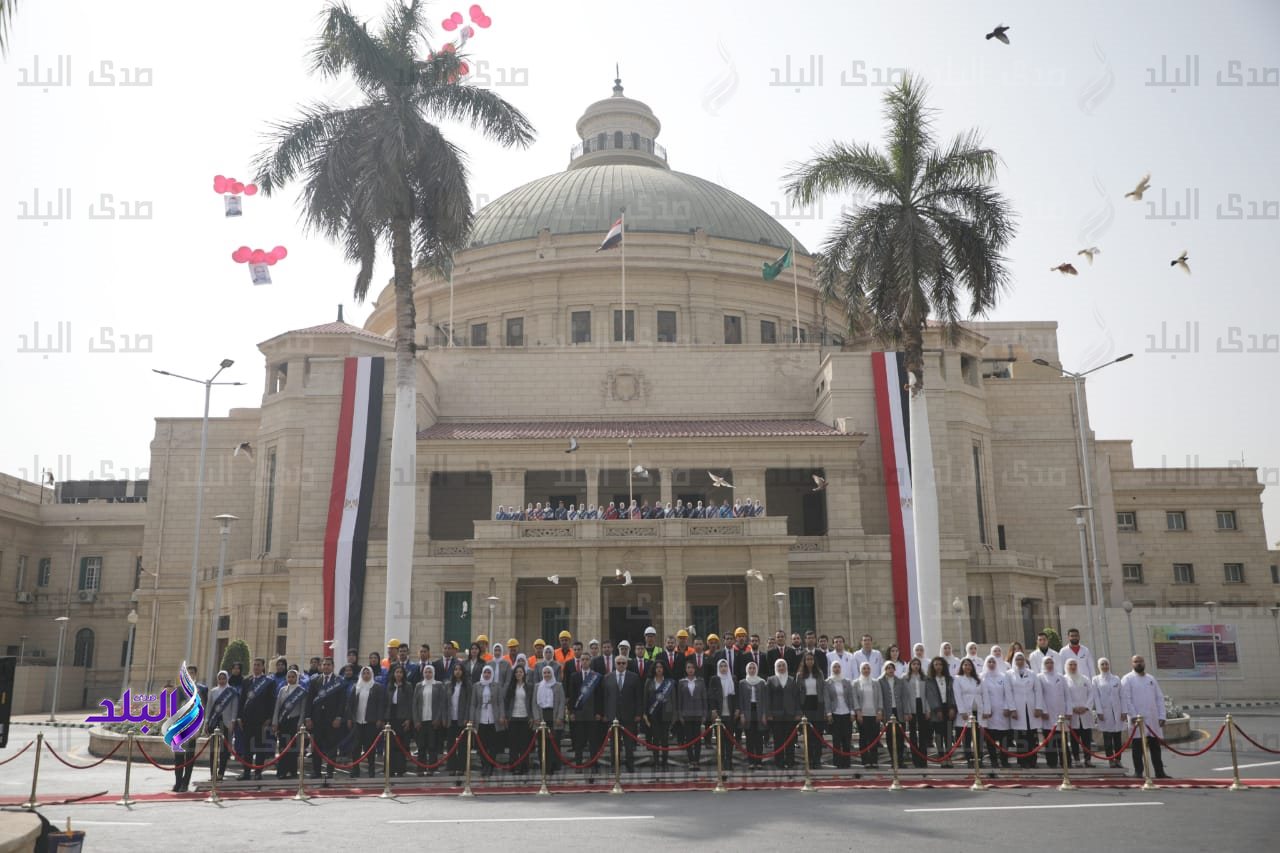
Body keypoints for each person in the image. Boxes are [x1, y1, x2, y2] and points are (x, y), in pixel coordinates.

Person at [1121, 655, 1170, 779]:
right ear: (1132, 664)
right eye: (1136, 661)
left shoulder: (1151, 679)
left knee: (1155, 748)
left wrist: (1162, 715)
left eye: (1141, 661)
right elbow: (1126, 699)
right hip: (1137, 720)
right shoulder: (1127, 679)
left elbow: (1159, 698)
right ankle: (1138, 772)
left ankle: (1160, 772)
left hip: (1152, 720)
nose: (1139, 663)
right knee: (1138, 749)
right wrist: (1132, 715)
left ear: (1144, 663)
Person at [305, 656, 346, 780]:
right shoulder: (315, 681)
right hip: (317, 719)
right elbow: (309, 700)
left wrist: (339, 717)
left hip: (332, 720)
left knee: (331, 747)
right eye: (324, 664)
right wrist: (308, 717)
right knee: (316, 747)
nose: (326, 666)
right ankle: (316, 771)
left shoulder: (339, 681)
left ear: (333, 667)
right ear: (321, 666)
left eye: (329, 664)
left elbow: (342, 702)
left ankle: (329, 771)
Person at [237, 658, 277, 780]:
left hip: (262, 721)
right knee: (247, 748)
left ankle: (258, 772)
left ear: (263, 667)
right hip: (247, 720)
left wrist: (269, 718)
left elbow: (272, 702)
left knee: (260, 747)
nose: (256, 667)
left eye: (258, 665)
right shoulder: (246, 681)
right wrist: (239, 717)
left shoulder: (269, 682)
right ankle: (246, 772)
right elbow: (242, 700)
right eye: (254, 665)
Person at [603, 655, 643, 772]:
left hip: (629, 715)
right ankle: (614, 766)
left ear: (626, 664)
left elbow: (638, 697)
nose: (621, 665)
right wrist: (606, 714)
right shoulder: (607, 677)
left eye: (623, 663)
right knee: (614, 744)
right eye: (618, 663)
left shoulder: (634, 677)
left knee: (629, 743)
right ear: (615, 664)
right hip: (613, 715)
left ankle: (630, 766)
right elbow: (605, 697)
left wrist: (638, 714)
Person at [346, 665, 387, 778]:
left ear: (371, 674)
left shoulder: (377, 687)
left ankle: (371, 770)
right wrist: (349, 718)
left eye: (368, 673)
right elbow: (350, 704)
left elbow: (380, 704)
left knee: (370, 747)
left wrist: (380, 718)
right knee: (356, 748)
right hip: (357, 722)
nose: (366, 675)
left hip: (371, 722)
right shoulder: (356, 686)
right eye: (364, 673)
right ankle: (355, 770)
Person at [172, 665, 208, 792]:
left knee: (189, 757)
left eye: (192, 673)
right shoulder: (179, 690)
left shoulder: (202, 690)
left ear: (195, 674)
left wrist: (200, 729)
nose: (190, 675)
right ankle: (177, 782)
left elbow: (204, 711)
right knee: (178, 758)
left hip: (193, 729)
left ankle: (185, 783)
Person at [1007, 651, 1043, 769]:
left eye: (1021, 659)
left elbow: (1038, 691)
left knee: (1031, 736)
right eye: (1017, 659)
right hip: (1018, 709)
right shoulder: (1009, 674)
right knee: (1020, 737)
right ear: (1014, 661)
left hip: (1031, 709)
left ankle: (1033, 760)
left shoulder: (1032, 674)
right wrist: (1012, 709)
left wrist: (1038, 707)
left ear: (1025, 661)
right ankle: (1022, 761)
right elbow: (1008, 693)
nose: (1019, 662)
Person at [567, 653, 603, 768]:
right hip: (579, 714)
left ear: (590, 661)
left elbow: (599, 696)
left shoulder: (596, 676)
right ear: (580, 662)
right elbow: (572, 696)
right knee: (579, 742)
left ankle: (594, 764)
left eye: (587, 659)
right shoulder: (574, 676)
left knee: (593, 742)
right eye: (583, 659)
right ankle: (578, 764)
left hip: (592, 714)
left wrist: (599, 712)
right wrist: (571, 712)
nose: (585, 661)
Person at [766, 657, 802, 769]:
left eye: (783, 665)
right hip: (776, 715)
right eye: (779, 666)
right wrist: (769, 713)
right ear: (776, 668)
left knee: (790, 740)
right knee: (778, 740)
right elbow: (768, 698)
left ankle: (790, 761)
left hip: (790, 714)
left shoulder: (792, 680)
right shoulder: (771, 680)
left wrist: (798, 712)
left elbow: (797, 697)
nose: (781, 668)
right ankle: (779, 762)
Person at [468, 665, 504, 778]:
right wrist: (471, 718)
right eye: (485, 672)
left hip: (493, 718)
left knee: (493, 745)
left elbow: (500, 702)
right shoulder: (476, 686)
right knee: (481, 745)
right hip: (481, 719)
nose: (487, 674)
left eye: (489, 672)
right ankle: (484, 766)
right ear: (482, 673)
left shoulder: (496, 686)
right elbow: (473, 704)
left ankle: (490, 766)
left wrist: (502, 715)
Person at [272, 667, 307, 779]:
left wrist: (300, 723)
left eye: (293, 677)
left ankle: (292, 771)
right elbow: (277, 707)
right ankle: (282, 771)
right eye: (289, 677)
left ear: (297, 678)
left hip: (295, 721)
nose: (291, 679)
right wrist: (275, 722)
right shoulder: (282, 690)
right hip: (283, 722)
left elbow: (303, 710)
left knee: (293, 748)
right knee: (283, 747)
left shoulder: (301, 691)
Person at [412, 664, 446, 775]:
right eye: (426, 672)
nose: (428, 674)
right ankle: (421, 769)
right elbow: (415, 705)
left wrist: (438, 719)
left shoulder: (439, 685)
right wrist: (416, 720)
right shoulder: (418, 685)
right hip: (421, 721)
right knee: (421, 746)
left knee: (432, 746)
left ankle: (432, 768)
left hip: (433, 721)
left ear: (433, 673)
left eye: (430, 672)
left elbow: (442, 704)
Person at [980, 655, 1013, 769]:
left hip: (1002, 712)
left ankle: (1004, 760)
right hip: (989, 713)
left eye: (993, 661)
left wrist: (1007, 707)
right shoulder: (982, 677)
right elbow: (982, 696)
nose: (991, 664)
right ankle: (994, 760)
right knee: (990, 739)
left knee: (1004, 738)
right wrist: (986, 710)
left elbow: (1007, 694)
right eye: (989, 661)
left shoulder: (1003, 677)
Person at [642, 659, 675, 771]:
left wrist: (674, 715)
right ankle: (656, 761)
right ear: (654, 669)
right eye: (657, 667)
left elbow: (673, 699)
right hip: (653, 714)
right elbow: (645, 699)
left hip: (666, 713)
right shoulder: (649, 681)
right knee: (655, 739)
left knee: (665, 740)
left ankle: (664, 761)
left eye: (661, 667)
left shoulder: (669, 682)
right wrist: (645, 714)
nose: (659, 669)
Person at [675, 659, 708, 769]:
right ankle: (691, 761)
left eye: (692, 668)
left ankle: (697, 761)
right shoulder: (681, 682)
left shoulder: (700, 681)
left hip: (698, 713)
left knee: (697, 739)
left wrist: (704, 714)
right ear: (686, 669)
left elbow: (704, 699)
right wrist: (680, 715)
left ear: (695, 669)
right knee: (688, 739)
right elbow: (679, 700)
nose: (690, 670)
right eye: (688, 667)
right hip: (686, 714)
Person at [1093, 658, 1126, 768]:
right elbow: (1096, 697)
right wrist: (1099, 711)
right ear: (1099, 666)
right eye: (1102, 664)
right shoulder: (1096, 680)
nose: (1105, 666)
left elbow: (1122, 696)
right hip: (1105, 713)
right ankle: (1110, 759)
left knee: (1117, 739)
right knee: (1107, 739)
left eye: (1106, 664)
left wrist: (1124, 711)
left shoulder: (1116, 679)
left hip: (1117, 712)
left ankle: (1118, 759)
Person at [1063, 658, 1096, 768]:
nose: (1072, 667)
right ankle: (1076, 759)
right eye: (1070, 664)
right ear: (1067, 666)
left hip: (1085, 713)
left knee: (1086, 739)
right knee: (1074, 739)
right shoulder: (1064, 680)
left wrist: (1086, 707)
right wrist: (1073, 708)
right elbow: (1064, 696)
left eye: (1074, 664)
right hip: (1073, 714)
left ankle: (1088, 759)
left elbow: (1091, 694)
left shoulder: (1085, 679)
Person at [924, 657, 957, 767]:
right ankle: (941, 756)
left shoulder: (949, 679)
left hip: (948, 708)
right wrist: (937, 709)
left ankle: (948, 757)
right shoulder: (929, 680)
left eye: (940, 664)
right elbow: (930, 696)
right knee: (938, 734)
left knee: (948, 734)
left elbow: (953, 694)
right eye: (936, 664)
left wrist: (952, 707)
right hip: (936, 710)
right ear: (933, 666)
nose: (938, 667)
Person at [1038, 656, 1069, 768]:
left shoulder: (1060, 677)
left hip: (1061, 713)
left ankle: (1065, 762)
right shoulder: (1040, 677)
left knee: (1062, 740)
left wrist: (1068, 710)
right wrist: (1044, 711)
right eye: (1047, 662)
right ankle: (1052, 762)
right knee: (1050, 740)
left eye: (1051, 662)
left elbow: (1067, 695)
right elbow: (1039, 696)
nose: (1049, 664)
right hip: (1048, 714)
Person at [207, 670, 238, 783]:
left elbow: (235, 707)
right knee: (213, 750)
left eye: (223, 678)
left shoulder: (232, 691)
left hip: (226, 723)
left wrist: (233, 721)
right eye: (220, 678)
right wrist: (207, 721)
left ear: (227, 679)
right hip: (214, 722)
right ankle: (213, 773)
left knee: (224, 750)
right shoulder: (213, 691)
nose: (221, 680)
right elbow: (209, 708)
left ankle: (221, 773)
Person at [823, 660, 855, 769]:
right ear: (831, 669)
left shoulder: (846, 681)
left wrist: (852, 712)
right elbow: (827, 699)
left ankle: (846, 762)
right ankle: (837, 762)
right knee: (836, 739)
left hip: (846, 713)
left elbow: (851, 697)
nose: (836, 669)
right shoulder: (828, 682)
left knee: (847, 739)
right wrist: (828, 713)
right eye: (834, 667)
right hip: (834, 713)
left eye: (838, 667)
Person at [902, 657, 933, 769]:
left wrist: (928, 709)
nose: (916, 666)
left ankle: (923, 760)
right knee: (913, 734)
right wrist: (907, 711)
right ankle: (915, 760)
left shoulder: (924, 678)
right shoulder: (905, 678)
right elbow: (905, 696)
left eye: (918, 664)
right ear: (910, 665)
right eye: (914, 664)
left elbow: (927, 695)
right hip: (911, 705)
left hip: (922, 705)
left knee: (923, 733)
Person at [737, 661, 769, 770]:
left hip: (759, 710)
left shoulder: (762, 682)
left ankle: (759, 761)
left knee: (759, 738)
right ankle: (751, 761)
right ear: (747, 670)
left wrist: (764, 713)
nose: (752, 670)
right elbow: (740, 700)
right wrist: (741, 714)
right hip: (747, 711)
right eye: (750, 668)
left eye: (753, 668)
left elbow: (765, 700)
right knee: (749, 738)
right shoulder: (742, 683)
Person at [708, 658, 738, 771]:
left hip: (730, 713)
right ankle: (721, 762)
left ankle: (729, 761)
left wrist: (737, 709)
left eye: (725, 666)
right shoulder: (714, 679)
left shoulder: (733, 678)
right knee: (720, 740)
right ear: (718, 668)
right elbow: (711, 695)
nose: (723, 668)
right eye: (721, 666)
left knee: (730, 740)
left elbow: (736, 695)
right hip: (719, 714)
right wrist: (713, 710)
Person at [535, 665, 566, 773]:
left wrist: (560, 717)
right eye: (545, 673)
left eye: (548, 672)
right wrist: (537, 717)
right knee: (542, 741)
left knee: (554, 741)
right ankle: (544, 765)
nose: (546, 675)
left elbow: (562, 702)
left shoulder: (558, 685)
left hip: (554, 715)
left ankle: (554, 765)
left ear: (552, 673)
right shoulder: (538, 686)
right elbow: (534, 703)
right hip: (542, 716)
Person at [952, 658, 983, 768]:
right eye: (965, 665)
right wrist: (962, 711)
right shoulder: (958, 679)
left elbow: (983, 694)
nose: (967, 667)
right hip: (965, 712)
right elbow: (958, 696)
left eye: (969, 665)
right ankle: (969, 758)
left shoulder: (977, 678)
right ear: (962, 667)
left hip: (977, 711)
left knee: (978, 737)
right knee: (967, 737)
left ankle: (979, 758)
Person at [796, 652, 825, 768]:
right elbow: (797, 693)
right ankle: (809, 760)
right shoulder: (800, 675)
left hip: (818, 704)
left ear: (814, 661)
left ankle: (817, 759)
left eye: (811, 659)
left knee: (818, 735)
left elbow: (822, 690)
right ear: (804, 661)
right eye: (807, 659)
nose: (809, 661)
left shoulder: (819, 674)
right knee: (808, 735)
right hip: (806, 705)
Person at [877, 661, 908, 767]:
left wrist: (906, 712)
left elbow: (904, 697)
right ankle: (893, 759)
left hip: (899, 711)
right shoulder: (880, 681)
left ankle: (900, 759)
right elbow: (880, 697)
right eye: (888, 668)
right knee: (890, 737)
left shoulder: (900, 681)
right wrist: (880, 712)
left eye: (892, 668)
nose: (890, 670)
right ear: (885, 670)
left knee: (900, 737)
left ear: (895, 670)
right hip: (888, 712)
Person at [852, 661, 883, 768]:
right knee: (863, 738)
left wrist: (879, 711)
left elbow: (880, 697)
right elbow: (854, 698)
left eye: (868, 668)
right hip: (862, 715)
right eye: (864, 668)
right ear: (860, 670)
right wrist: (858, 712)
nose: (866, 670)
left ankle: (874, 760)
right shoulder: (856, 683)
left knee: (874, 738)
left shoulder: (875, 682)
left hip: (874, 714)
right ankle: (865, 761)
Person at [505, 665, 534, 775]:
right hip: (513, 718)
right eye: (517, 672)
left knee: (524, 745)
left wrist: (532, 717)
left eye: (521, 672)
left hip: (525, 718)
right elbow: (507, 703)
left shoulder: (529, 687)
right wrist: (507, 716)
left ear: (524, 674)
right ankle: (514, 766)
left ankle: (524, 767)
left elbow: (531, 703)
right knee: (513, 745)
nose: (518, 674)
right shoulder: (511, 686)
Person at [385, 664, 413, 776]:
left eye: (401, 672)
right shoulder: (389, 686)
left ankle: (401, 769)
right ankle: (390, 769)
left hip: (402, 717)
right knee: (391, 745)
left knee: (401, 744)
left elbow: (410, 703)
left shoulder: (408, 686)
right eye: (397, 672)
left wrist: (408, 719)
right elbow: (386, 703)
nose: (398, 674)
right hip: (391, 717)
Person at [444, 663, 470, 776]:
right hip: (451, 719)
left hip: (462, 720)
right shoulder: (449, 685)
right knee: (451, 744)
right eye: (455, 670)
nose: (457, 671)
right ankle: (451, 767)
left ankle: (461, 767)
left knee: (462, 745)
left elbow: (469, 703)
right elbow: (445, 703)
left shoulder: (467, 685)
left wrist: (466, 718)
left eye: (459, 669)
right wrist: (445, 718)